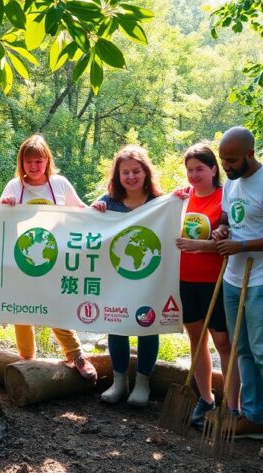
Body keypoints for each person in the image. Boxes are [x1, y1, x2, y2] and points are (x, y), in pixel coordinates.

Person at [212, 126, 263, 461]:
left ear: (250, 153)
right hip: (234, 277)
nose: (226, 167)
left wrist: (243, 244)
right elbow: (228, 218)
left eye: (231, 160)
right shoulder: (231, 182)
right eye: (223, 161)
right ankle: (252, 417)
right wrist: (223, 228)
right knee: (241, 349)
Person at [0, 134, 97, 381]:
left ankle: (76, 355)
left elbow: (81, 210)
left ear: (47, 160)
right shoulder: (14, 186)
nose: (34, 166)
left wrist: (100, 209)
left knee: (55, 304)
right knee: (21, 308)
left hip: (55, 256)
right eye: (29, 161)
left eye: (39, 160)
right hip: (22, 256)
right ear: (21, 163)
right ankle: (26, 360)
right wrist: (5, 204)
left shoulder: (60, 184)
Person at [171, 143, 240, 429]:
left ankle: (233, 407)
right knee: (197, 342)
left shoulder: (227, 197)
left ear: (214, 169)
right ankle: (206, 399)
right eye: (189, 170)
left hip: (219, 281)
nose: (194, 175)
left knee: (224, 342)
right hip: (186, 280)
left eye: (200, 169)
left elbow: (230, 238)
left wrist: (207, 243)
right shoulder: (182, 200)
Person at [92, 145, 162, 406]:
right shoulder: (108, 201)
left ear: (145, 172)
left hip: (149, 278)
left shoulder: (160, 203)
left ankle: (143, 382)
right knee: (116, 324)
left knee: (147, 325)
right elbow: (88, 227)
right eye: (125, 172)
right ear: (117, 175)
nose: (131, 177)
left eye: (136, 171)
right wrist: (95, 210)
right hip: (116, 278)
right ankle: (119, 381)